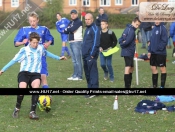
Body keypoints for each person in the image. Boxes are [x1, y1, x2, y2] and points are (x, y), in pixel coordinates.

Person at [0, 32, 66, 119]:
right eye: (33, 42)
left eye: (37, 42)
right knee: (22, 88)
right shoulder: (24, 50)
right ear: (30, 41)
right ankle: (17, 109)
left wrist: (59, 58)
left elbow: (47, 53)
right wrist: (2, 70)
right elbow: (13, 61)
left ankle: (32, 112)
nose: (35, 44)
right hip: (24, 73)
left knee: (36, 88)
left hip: (35, 74)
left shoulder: (40, 48)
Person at [14, 11, 54, 89]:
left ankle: (46, 96)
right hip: (28, 59)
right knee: (31, 80)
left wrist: (48, 43)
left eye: (34, 21)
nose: (32, 23)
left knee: (43, 77)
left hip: (41, 57)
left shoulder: (44, 29)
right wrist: (22, 42)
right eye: (30, 21)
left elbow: (51, 39)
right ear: (28, 21)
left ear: (37, 20)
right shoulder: (24, 30)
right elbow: (16, 43)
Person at [119, 17, 141, 88]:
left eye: (138, 25)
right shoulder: (131, 30)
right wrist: (122, 44)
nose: (137, 26)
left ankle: (129, 85)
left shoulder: (127, 29)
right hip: (127, 51)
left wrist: (122, 42)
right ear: (133, 22)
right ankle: (127, 87)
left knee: (131, 68)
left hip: (130, 52)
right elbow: (126, 41)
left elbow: (120, 39)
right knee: (128, 67)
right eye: (136, 24)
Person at [82, 13, 100, 98]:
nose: (87, 21)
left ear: (92, 19)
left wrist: (92, 54)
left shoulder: (95, 28)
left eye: (88, 19)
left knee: (93, 73)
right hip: (85, 55)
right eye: (86, 19)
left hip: (90, 56)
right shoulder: (87, 29)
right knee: (87, 74)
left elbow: (96, 43)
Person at [63, 9, 83, 81]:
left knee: (77, 60)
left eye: (74, 14)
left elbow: (71, 30)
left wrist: (68, 29)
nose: (73, 15)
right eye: (71, 14)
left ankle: (79, 76)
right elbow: (66, 30)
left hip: (76, 42)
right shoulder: (71, 22)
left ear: (77, 14)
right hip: (71, 42)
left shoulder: (78, 22)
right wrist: (68, 29)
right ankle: (75, 75)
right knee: (74, 60)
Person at [147, 22, 168, 88]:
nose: (157, 21)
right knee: (153, 68)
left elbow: (165, 41)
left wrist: (158, 48)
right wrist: (149, 51)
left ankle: (162, 86)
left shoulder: (163, 28)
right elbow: (151, 40)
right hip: (153, 53)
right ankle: (154, 86)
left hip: (160, 53)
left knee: (162, 68)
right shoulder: (154, 28)